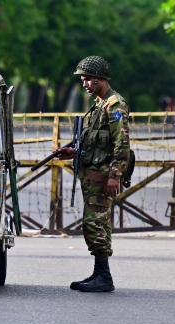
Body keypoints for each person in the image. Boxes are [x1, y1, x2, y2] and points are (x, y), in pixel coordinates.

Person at [57, 56, 130, 292]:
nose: (85, 84)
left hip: (102, 176)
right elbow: (95, 142)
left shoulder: (114, 105)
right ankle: (100, 272)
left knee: (93, 224)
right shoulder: (98, 105)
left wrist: (114, 175)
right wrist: (72, 151)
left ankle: (104, 277)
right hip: (92, 174)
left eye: (87, 79)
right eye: (83, 80)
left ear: (100, 79)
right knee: (98, 224)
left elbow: (122, 143)